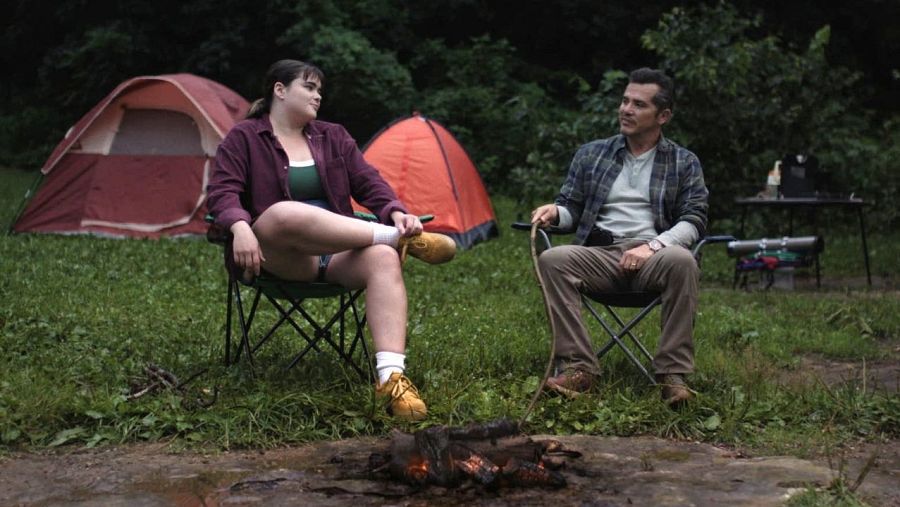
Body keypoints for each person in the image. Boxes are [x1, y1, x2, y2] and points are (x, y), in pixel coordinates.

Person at [207, 59, 457, 421]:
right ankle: (394, 239)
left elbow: (369, 182)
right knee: (283, 212)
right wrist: (240, 227)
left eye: (319, 90)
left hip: (339, 251)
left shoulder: (333, 136)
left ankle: (391, 378)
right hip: (279, 256)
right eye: (309, 87)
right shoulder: (244, 138)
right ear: (279, 90)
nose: (317, 96)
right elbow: (222, 192)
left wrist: (395, 210)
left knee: (383, 260)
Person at [530, 67, 709, 405]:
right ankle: (580, 368)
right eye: (625, 101)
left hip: (657, 256)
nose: (626, 109)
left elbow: (694, 220)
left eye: (639, 105)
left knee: (684, 260)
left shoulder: (684, 162)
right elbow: (572, 210)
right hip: (602, 253)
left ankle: (672, 375)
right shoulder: (592, 154)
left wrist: (652, 246)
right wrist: (555, 212)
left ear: (663, 115)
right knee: (552, 258)